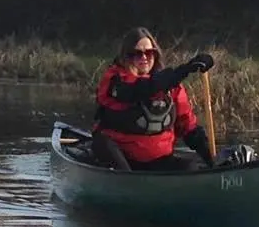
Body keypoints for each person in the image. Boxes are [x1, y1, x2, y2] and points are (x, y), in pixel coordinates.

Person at [91, 28, 216, 171]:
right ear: (126, 57)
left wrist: (212, 161)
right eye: (137, 54)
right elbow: (142, 89)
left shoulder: (172, 88)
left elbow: (188, 127)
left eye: (149, 53)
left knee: (191, 168)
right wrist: (185, 70)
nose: (144, 58)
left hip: (158, 160)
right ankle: (126, 185)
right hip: (121, 159)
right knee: (103, 144)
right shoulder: (115, 79)